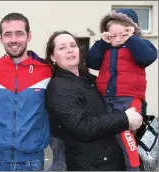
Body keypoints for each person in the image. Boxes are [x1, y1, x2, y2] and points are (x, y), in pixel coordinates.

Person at [44, 30, 143, 170]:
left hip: (109, 161)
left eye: (73, 45)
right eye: (62, 48)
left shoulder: (89, 79)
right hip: (91, 165)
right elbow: (82, 127)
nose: (69, 50)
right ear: (53, 57)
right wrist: (125, 119)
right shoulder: (59, 87)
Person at [0, 12, 52, 171]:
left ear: (29, 36)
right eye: (8, 34)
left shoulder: (46, 70)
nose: (13, 40)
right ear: (0, 38)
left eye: (19, 33)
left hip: (32, 162)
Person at [86, 9, 157, 170]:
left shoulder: (138, 46)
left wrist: (131, 38)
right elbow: (92, 62)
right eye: (113, 35)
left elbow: (148, 56)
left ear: (132, 32)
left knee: (126, 136)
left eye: (123, 34)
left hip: (128, 100)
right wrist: (103, 42)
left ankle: (134, 167)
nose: (117, 39)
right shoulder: (104, 47)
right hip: (104, 99)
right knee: (107, 135)